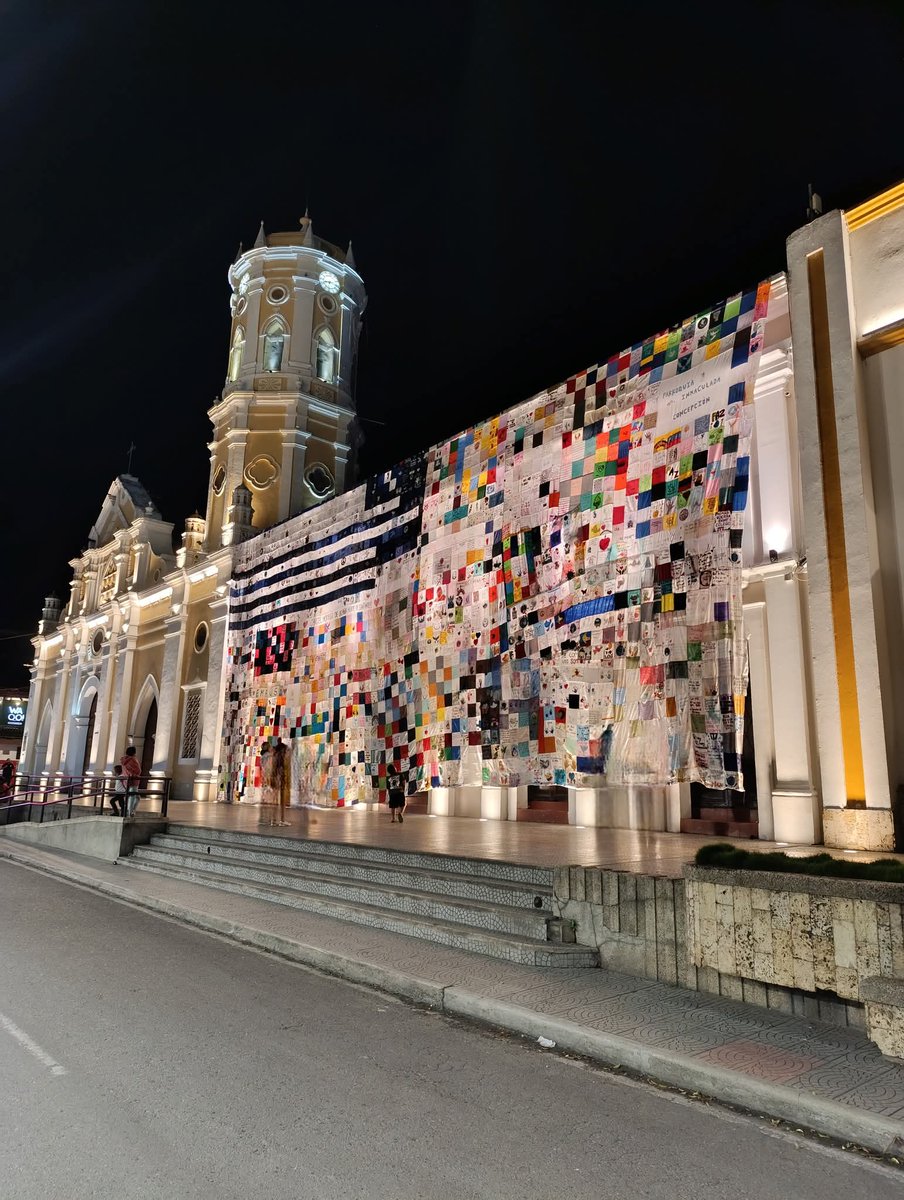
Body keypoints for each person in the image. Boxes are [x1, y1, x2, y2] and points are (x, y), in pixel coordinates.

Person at [120, 746, 142, 817]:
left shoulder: (124, 760)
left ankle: (130, 811)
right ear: (134, 752)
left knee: (133, 796)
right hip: (133, 780)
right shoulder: (133, 760)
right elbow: (138, 770)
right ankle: (130, 812)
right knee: (134, 797)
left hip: (126, 781)